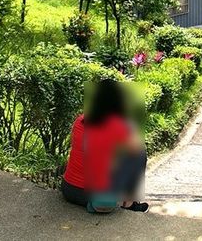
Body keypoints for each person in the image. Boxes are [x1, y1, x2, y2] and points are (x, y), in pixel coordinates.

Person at [61, 78, 149, 213]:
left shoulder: (80, 120)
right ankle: (129, 204)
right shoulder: (118, 125)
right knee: (139, 155)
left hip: (69, 189)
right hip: (95, 195)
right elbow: (136, 148)